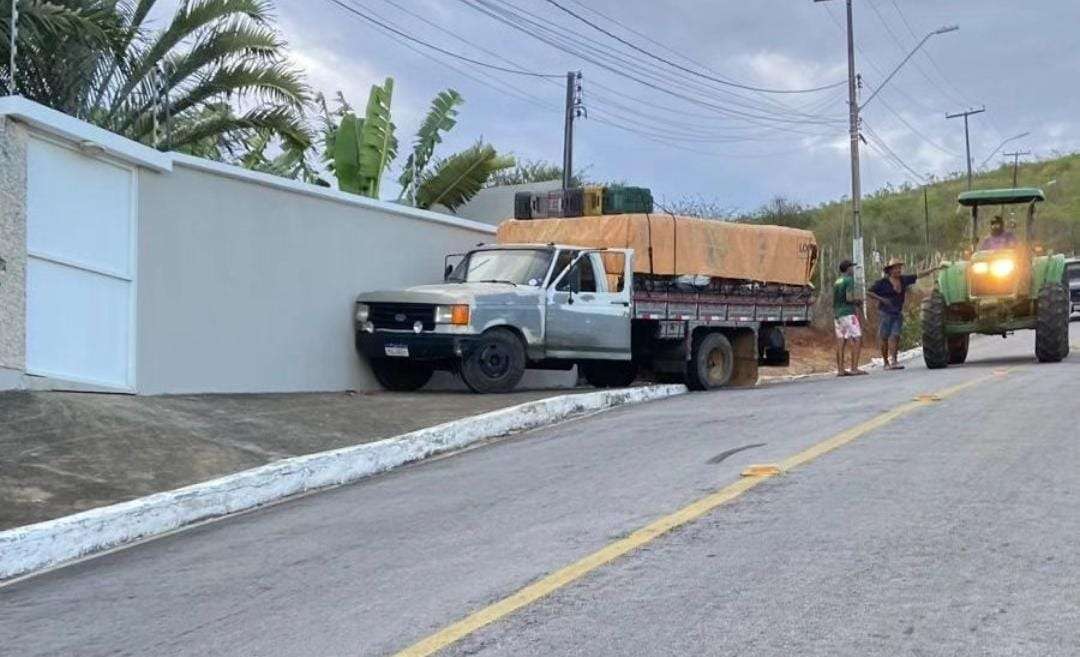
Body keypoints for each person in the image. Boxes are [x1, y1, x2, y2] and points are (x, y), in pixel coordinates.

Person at [867, 257, 942, 370]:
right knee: (884, 337)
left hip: (897, 312)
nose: (898, 270)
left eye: (899, 268)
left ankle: (894, 361)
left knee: (896, 336)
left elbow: (918, 275)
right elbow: (869, 292)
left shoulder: (903, 280)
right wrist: (882, 300)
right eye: (896, 268)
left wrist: (934, 269)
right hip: (885, 313)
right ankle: (886, 362)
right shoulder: (882, 283)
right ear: (890, 271)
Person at [833, 259, 866, 377]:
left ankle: (841, 370)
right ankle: (854, 368)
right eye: (851, 267)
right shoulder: (849, 280)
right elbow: (848, 298)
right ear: (848, 268)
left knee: (841, 341)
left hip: (838, 314)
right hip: (848, 313)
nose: (853, 270)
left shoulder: (837, 281)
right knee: (857, 338)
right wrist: (858, 301)